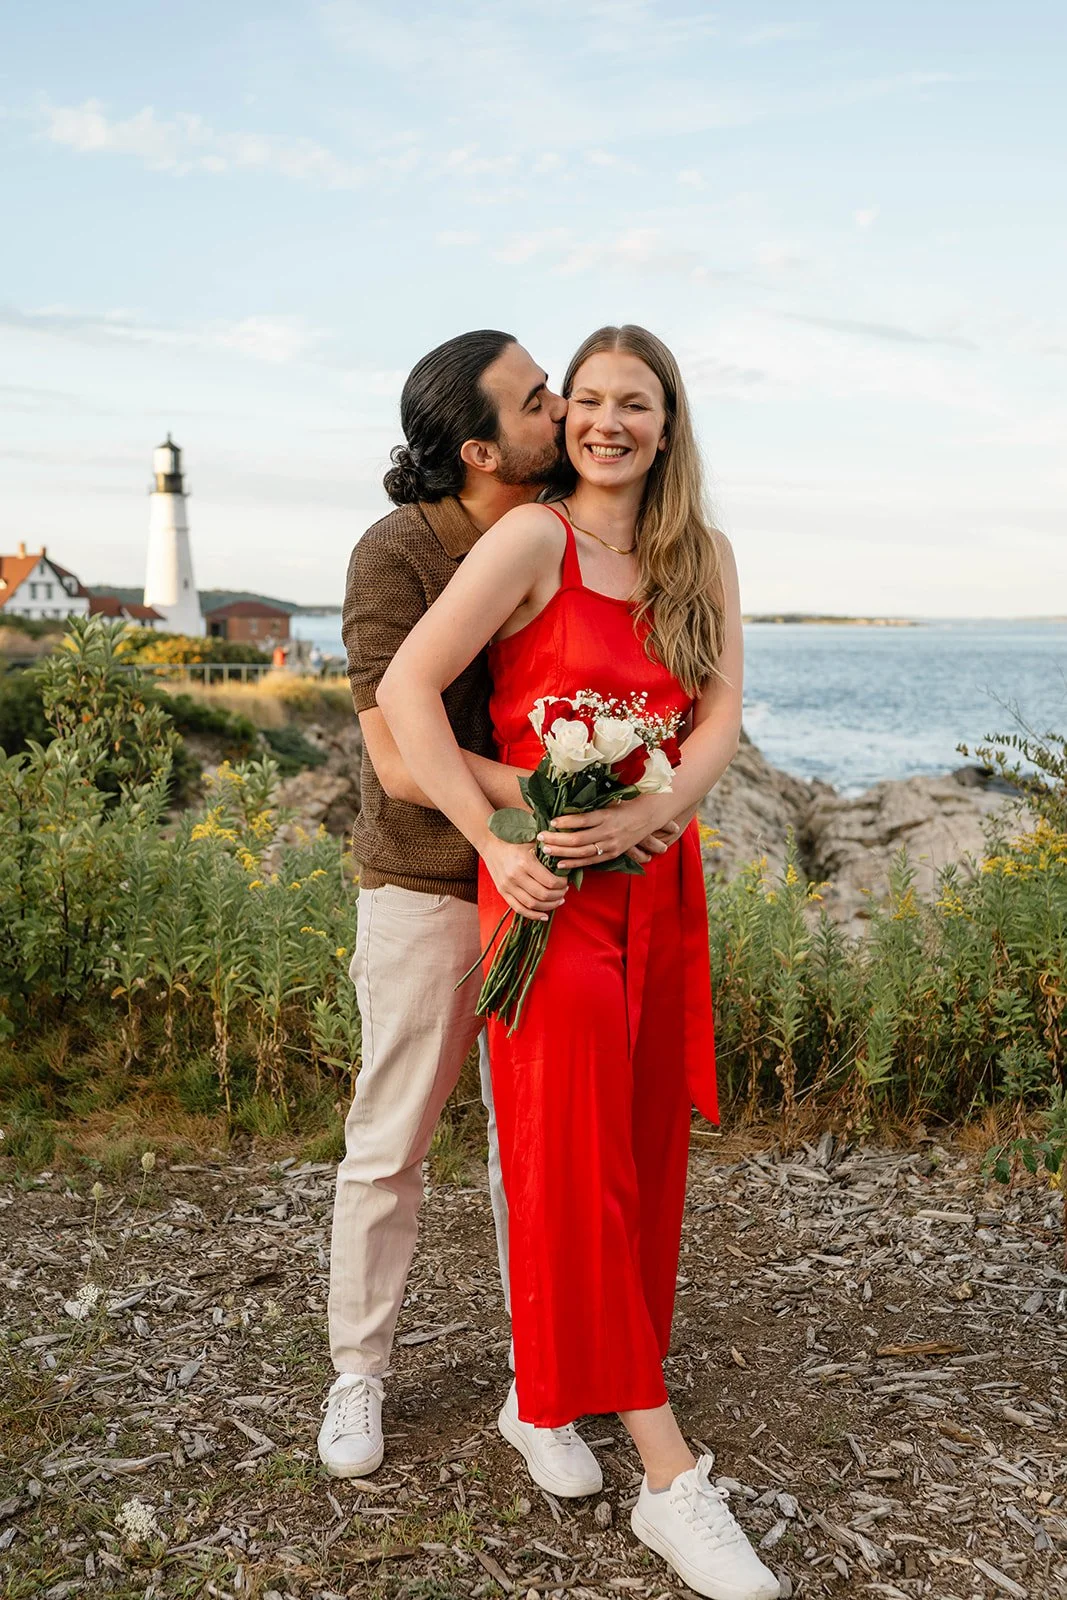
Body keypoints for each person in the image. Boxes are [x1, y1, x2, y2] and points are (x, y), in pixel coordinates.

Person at [378, 326, 779, 1600]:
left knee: (643, 1155)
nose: (606, 421)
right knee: (570, 1166)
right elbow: (404, 688)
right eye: (587, 400)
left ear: (668, 422)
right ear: (570, 422)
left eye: (634, 403)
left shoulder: (697, 555)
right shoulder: (532, 540)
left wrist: (661, 807)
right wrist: (496, 847)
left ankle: (546, 1392)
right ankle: (671, 1479)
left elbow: (715, 715)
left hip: (662, 892)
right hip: (551, 904)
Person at [320, 330, 673, 1493]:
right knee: (392, 1142)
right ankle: (358, 1369)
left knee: (542, 1151)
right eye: (538, 399)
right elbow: (398, 758)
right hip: (431, 879)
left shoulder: (578, 534)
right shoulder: (398, 554)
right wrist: (583, 791)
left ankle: (547, 1381)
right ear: (480, 447)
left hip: (549, 888)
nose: (567, 406)